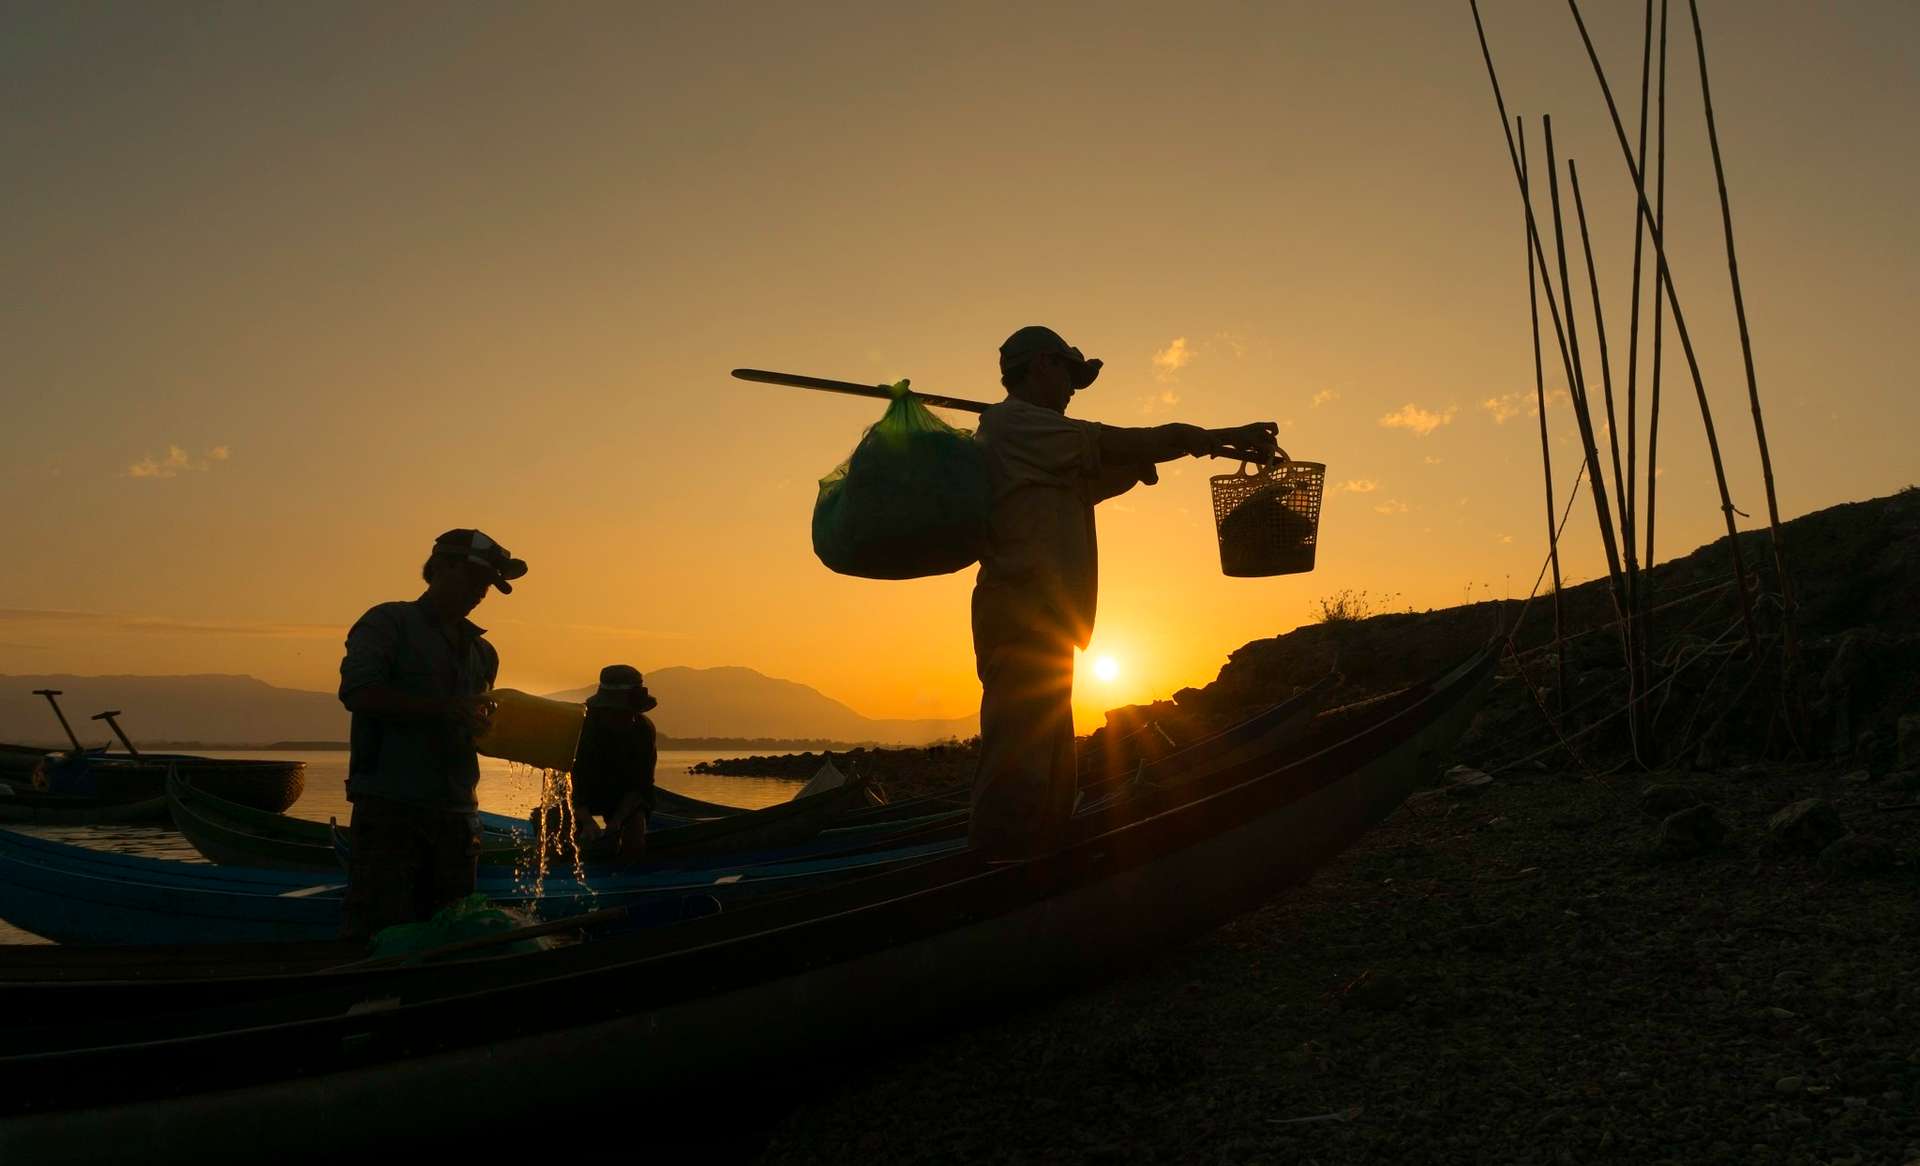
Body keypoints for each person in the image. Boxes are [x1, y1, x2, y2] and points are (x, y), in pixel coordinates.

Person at [969, 325, 1278, 859]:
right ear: (1042, 366)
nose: (1072, 389)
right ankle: (995, 870)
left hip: (1046, 617)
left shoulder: (1040, 443)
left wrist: (1145, 464)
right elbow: (1111, 441)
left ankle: (1043, 857)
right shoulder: (1016, 424)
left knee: (1048, 755)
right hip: (1020, 611)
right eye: (1069, 373)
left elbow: (1092, 478)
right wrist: (1203, 434)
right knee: (1018, 753)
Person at [335, 528, 527, 940]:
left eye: (487, 586)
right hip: (391, 808)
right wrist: (446, 708)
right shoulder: (388, 621)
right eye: (472, 579)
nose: (479, 592)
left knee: (454, 932)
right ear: (439, 569)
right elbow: (358, 692)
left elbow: (472, 725)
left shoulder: (483, 652)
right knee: (381, 930)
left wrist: (489, 729)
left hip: (459, 816)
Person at [567, 664, 658, 864]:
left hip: (622, 796)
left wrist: (616, 822)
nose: (625, 718)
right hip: (580, 795)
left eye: (629, 713)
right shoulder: (580, 728)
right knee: (555, 823)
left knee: (634, 832)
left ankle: (627, 879)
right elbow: (563, 781)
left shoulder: (643, 731)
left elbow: (641, 786)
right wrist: (586, 820)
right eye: (618, 712)